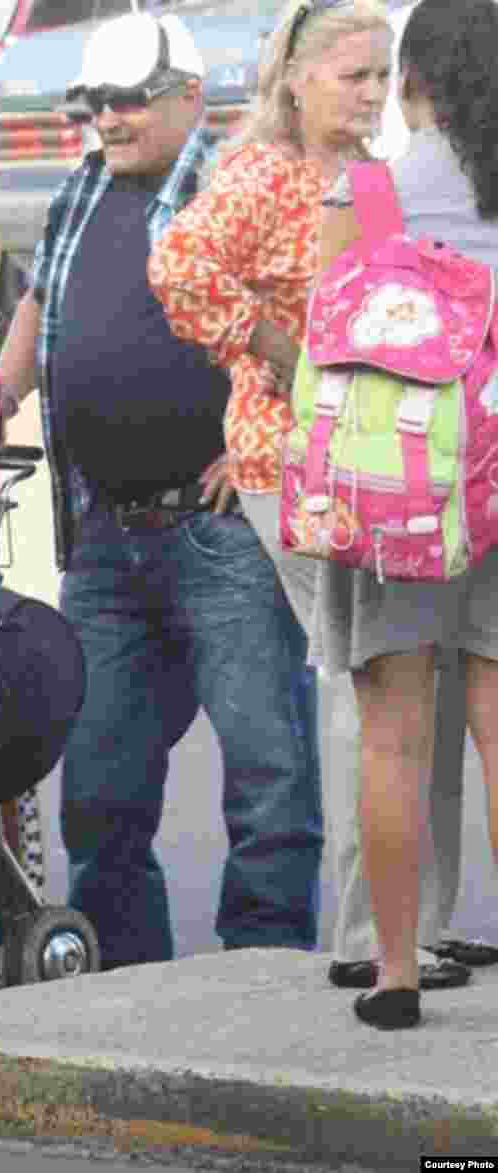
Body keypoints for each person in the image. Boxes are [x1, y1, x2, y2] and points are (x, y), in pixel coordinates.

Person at [147, 0, 474, 995]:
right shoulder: (260, 174)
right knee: (368, 687)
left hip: (384, 463)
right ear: (294, 78)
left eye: (382, 76)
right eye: (352, 77)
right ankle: (366, 937)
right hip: (295, 464)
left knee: (425, 683)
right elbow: (178, 266)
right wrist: (279, 354)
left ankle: (423, 925)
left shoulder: (368, 173)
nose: (372, 95)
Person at [0, 10, 323, 971]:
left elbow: (309, 324)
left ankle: (262, 972)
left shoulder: (240, 189)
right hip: (106, 537)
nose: (113, 119)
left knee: (268, 775)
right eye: (98, 102)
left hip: (220, 534)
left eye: (133, 100)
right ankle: (126, 989)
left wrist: (259, 441)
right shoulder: (82, 190)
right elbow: (38, 302)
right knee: (98, 787)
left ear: (191, 97)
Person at [307, 0, 498, 1028]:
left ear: (412, 77)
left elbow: (323, 339)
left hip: (397, 498)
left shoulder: (369, 191)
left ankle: (393, 975)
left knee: (390, 738)